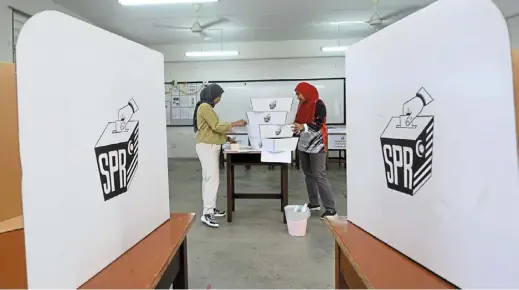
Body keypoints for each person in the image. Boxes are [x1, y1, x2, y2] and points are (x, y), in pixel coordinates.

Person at [193, 84, 247, 227]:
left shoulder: (206, 107)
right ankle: (207, 213)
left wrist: (228, 139)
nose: (219, 100)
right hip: (207, 147)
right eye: (218, 97)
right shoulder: (205, 107)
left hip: (209, 146)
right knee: (212, 179)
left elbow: (213, 130)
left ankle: (210, 208)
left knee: (208, 179)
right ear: (212, 95)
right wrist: (236, 123)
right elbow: (216, 126)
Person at [292, 82, 337, 219]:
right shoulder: (301, 105)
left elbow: (318, 123)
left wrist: (302, 127)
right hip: (304, 144)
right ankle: (314, 203)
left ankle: (330, 209)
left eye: (298, 94)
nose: (297, 97)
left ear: (306, 92)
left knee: (319, 175)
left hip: (317, 144)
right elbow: (298, 122)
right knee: (308, 174)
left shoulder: (318, 104)